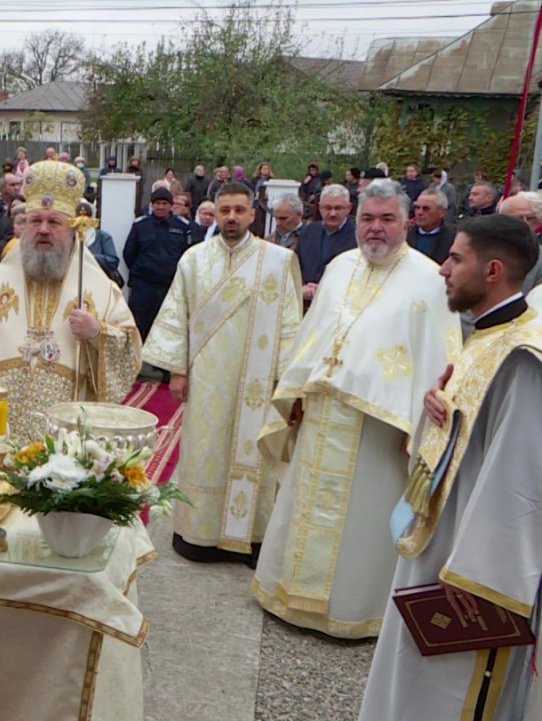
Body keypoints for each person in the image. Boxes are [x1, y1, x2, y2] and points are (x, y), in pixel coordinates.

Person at [348, 214, 542, 721]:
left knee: (452, 702)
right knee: (409, 687)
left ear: (495, 269)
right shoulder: (485, 335)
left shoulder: (525, 357)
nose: (443, 269)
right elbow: (467, 431)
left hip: (472, 574)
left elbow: (520, 477)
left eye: (456, 259)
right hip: (434, 545)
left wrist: (479, 578)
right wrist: (439, 413)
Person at [253, 180, 459, 639]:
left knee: (362, 520)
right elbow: (315, 333)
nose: (376, 229)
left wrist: (422, 422)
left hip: (379, 427)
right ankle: (289, 593)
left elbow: (439, 356)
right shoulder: (340, 266)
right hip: (325, 412)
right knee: (304, 506)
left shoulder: (429, 279)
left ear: (407, 222)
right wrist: (297, 392)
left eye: (387, 219)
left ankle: (351, 610)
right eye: (368, 218)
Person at [142, 182, 302, 564]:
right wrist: (178, 371)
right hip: (208, 373)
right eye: (225, 210)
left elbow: (290, 322)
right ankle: (199, 534)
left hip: (258, 379)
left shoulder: (277, 262)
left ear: (252, 214)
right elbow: (176, 316)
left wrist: (285, 377)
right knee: (205, 448)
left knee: (256, 452)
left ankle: (252, 536)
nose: (231, 217)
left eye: (239, 210)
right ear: (215, 212)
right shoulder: (193, 260)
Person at [0, 161, 142, 443]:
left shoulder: (96, 285)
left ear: (71, 228)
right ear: (24, 226)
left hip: (64, 432)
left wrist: (97, 333)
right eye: (35, 221)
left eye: (54, 222)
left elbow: (130, 349)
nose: (43, 229)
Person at [123, 186, 195, 344]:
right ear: (152, 205)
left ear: (170, 205)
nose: (160, 207)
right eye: (157, 203)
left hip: (169, 285)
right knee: (139, 323)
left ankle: (161, 365)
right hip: (143, 286)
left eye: (164, 203)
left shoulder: (182, 226)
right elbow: (129, 253)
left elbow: (188, 254)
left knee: (167, 323)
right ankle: (138, 359)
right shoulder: (140, 225)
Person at [294, 184, 357, 304]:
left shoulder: (358, 237)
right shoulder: (308, 231)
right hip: (305, 305)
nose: (332, 213)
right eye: (327, 208)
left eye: (338, 208)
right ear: (319, 207)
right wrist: (302, 288)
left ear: (349, 208)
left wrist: (324, 290)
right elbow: (296, 266)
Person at [406, 187, 455, 264]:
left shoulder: (453, 241)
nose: (419, 212)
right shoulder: (405, 237)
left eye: (426, 209)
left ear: (442, 212)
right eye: (417, 208)